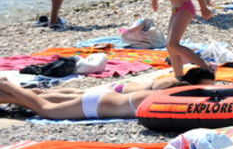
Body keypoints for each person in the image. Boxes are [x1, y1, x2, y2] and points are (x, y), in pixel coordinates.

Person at [33, 66, 215, 103]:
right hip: (118, 91)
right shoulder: (173, 85)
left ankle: (39, 93)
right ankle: (38, 95)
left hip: (123, 87)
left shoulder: (176, 80)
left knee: (79, 92)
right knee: (78, 95)